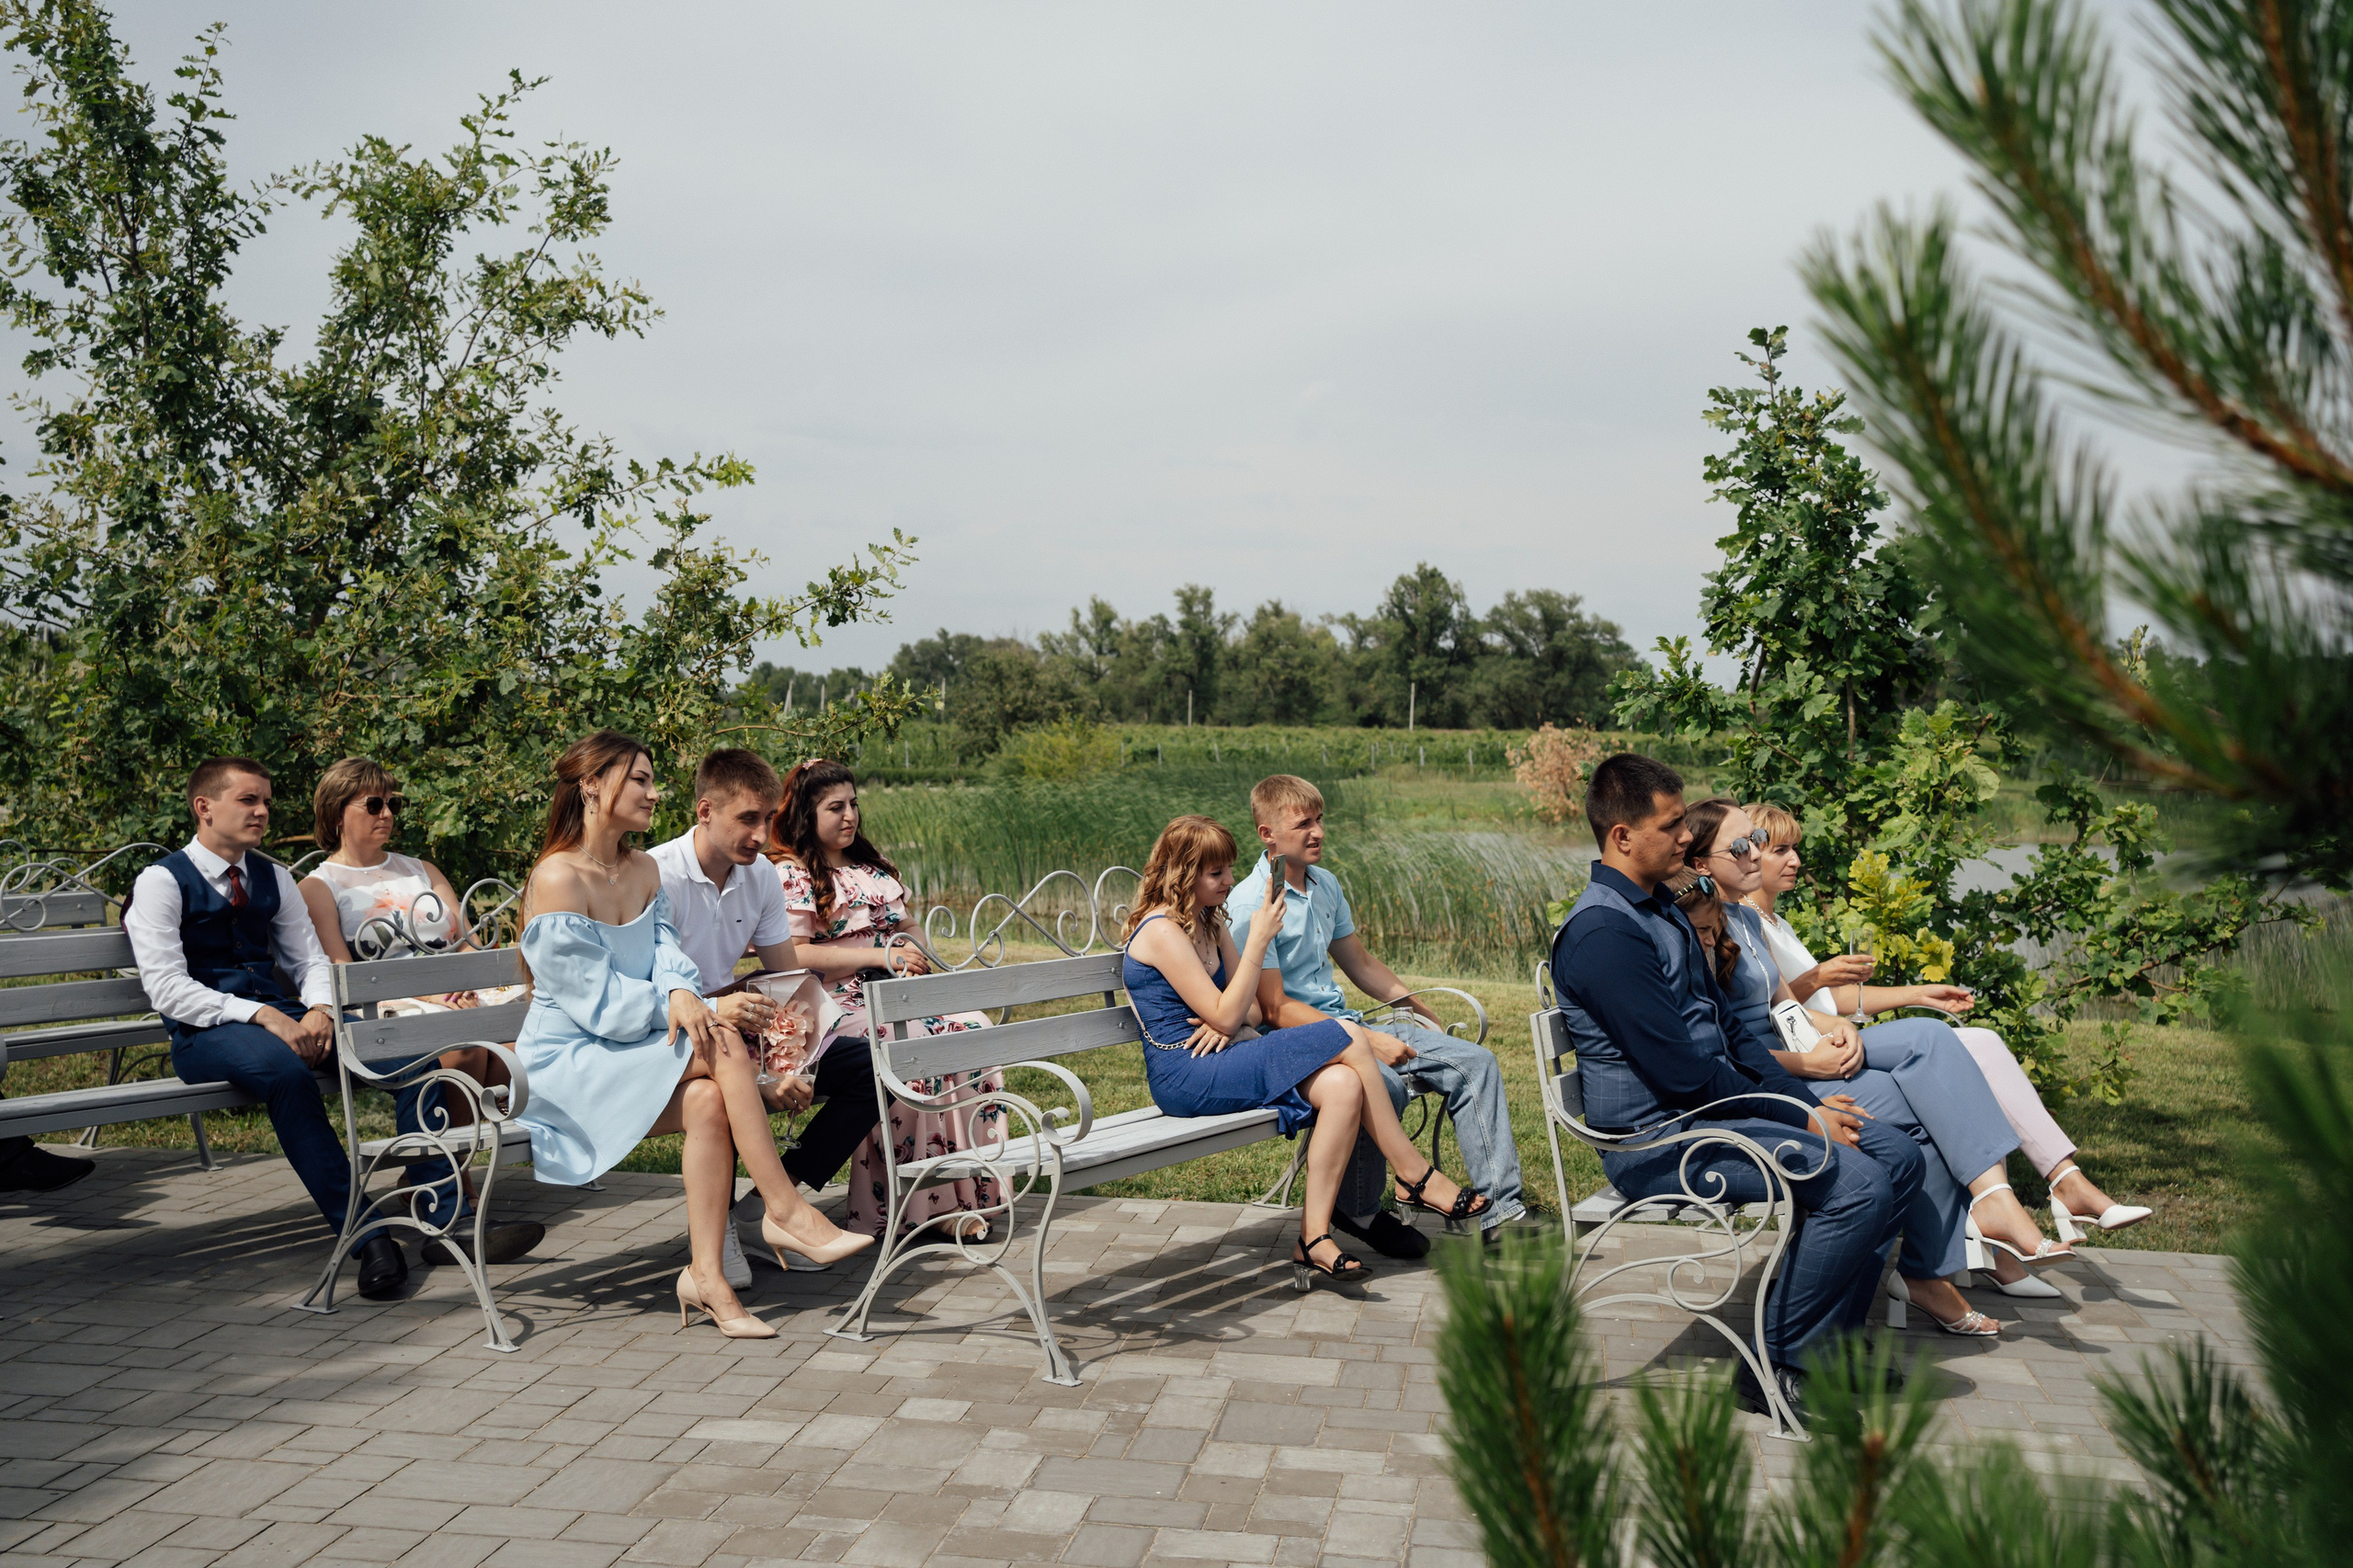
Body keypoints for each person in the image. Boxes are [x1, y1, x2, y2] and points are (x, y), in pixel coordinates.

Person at [1550, 754, 1924, 1421]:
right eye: (1671, 826)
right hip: (1658, 1140)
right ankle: (1779, 1365)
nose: (1686, 836)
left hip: (1709, 1115)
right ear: (1622, 837)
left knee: (1897, 1155)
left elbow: (1728, 1028)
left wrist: (1809, 1106)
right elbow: (1681, 1072)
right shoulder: (1605, 932)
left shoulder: (1664, 908)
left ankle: (1829, 1342)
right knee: (1858, 1183)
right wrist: (1804, 1124)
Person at [510, 731, 870, 1339]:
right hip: (569, 1060)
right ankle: (784, 1209)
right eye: (641, 780)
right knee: (720, 1043)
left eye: (653, 780)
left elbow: (674, 959)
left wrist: (689, 997)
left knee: (708, 1096)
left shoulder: (642, 868)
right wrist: (692, 1005)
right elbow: (593, 1003)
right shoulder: (558, 879)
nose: (655, 793)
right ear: (593, 786)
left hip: (634, 1047)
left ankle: (708, 1276)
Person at [1684, 796, 2076, 1335]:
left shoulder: (1745, 922)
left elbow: (1782, 1007)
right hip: (1771, 1080)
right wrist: (1810, 1062)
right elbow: (1728, 1044)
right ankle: (1971, 1236)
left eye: (1759, 841)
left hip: (1796, 1056)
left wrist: (1833, 1028)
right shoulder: (1704, 925)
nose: (1758, 852)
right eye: (1745, 843)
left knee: (1933, 1070)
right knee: (1929, 1054)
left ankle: (1954, 1246)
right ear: (1701, 862)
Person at [1738, 798, 2150, 1286]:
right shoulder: (1738, 923)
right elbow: (1773, 1009)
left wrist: (1918, 993)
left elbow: (1832, 1000)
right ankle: (2019, 1214)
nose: (1795, 861)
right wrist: (1819, 977)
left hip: (1834, 1035)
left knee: (1981, 1045)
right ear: (1749, 853)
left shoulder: (1773, 922)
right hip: (1812, 1053)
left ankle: (2048, 1192)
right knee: (1954, 1058)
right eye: (1780, 849)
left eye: (1795, 848)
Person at [1122, 814, 1491, 1289]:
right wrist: (1256, 944)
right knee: (1347, 1034)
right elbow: (1232, 1012)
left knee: (1342, 1083)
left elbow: (1250, 1010)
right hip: (1185, 1072)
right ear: (1181, 874)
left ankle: (1313, 1238)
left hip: (1224, 1055)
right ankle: (1414, 1173)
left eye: (1229, 869)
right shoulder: (1162, 931)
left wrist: (1225, 1019)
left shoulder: (1208, 924)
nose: (1230, 881)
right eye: (1216, 873)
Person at [125, 757, 438, 1300]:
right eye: (248, 800)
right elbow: (167, 988)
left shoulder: (272, 875)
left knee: (412, 1060)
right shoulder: (161, 882)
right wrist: (262, 1014)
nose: (263, 811)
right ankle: (368, 1236)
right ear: (204, 808)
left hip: (288, 1020)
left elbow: (309, 960)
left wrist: (319, 1008)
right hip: (204, 1034)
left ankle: (443, 1216)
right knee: (287, 1074)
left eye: (266, 800)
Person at [1229, 774, 1527, 1254]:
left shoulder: (1325, 884)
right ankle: (1361, 1210)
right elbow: (1274, 1010)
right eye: (1303, 823)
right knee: (1384, 1084)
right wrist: (1363, 1042)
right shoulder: (1253, 904)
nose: (1318, 832)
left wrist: (1417, 1007)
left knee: (1475, 1063)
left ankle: (1500, 1216)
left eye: (1320, 820)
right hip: (1296, 1043)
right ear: (1267, 834)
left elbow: (1361, 963)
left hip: (1347, 1023)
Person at [296, 756, 542, 1271]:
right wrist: (432, 995)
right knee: (461, 1048)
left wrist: (467, 985)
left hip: (453, 995)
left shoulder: (422, 870)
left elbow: (466, 944)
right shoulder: (320, 887)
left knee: (518, 1048)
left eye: (394, 802)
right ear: (338, 812)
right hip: (382, 1008)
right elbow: (342, 971)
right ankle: (458, 1202)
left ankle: (428, 1181)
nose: (387, 813)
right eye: (374, 804)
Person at [768, 758, 1002, 1240]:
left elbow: (906, 926)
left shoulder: (871, 869)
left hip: (889, 995)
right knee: (910, 1045)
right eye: (835, 807)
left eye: (853, 804)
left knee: (974, 1028)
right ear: (805, 815)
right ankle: (909, 1208)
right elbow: (792, 953)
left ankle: (963, 1196)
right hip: (829, 1004)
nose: (850, 815)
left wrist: (909, 947)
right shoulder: (793, 874)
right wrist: (878, 955)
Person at [648, 748, 803, 1286]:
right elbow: (648, 995)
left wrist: (788, 1066)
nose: (762, 836)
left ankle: (761, 1211)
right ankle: (739, 1231)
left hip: (729, 1030)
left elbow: (786, 984)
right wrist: (763, 1076)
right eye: (748, 819)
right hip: (663, 1036)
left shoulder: (760, 876)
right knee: (726, 1079)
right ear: (705, 810)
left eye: (768, 820)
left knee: (856, 1070)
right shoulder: (657, 875)